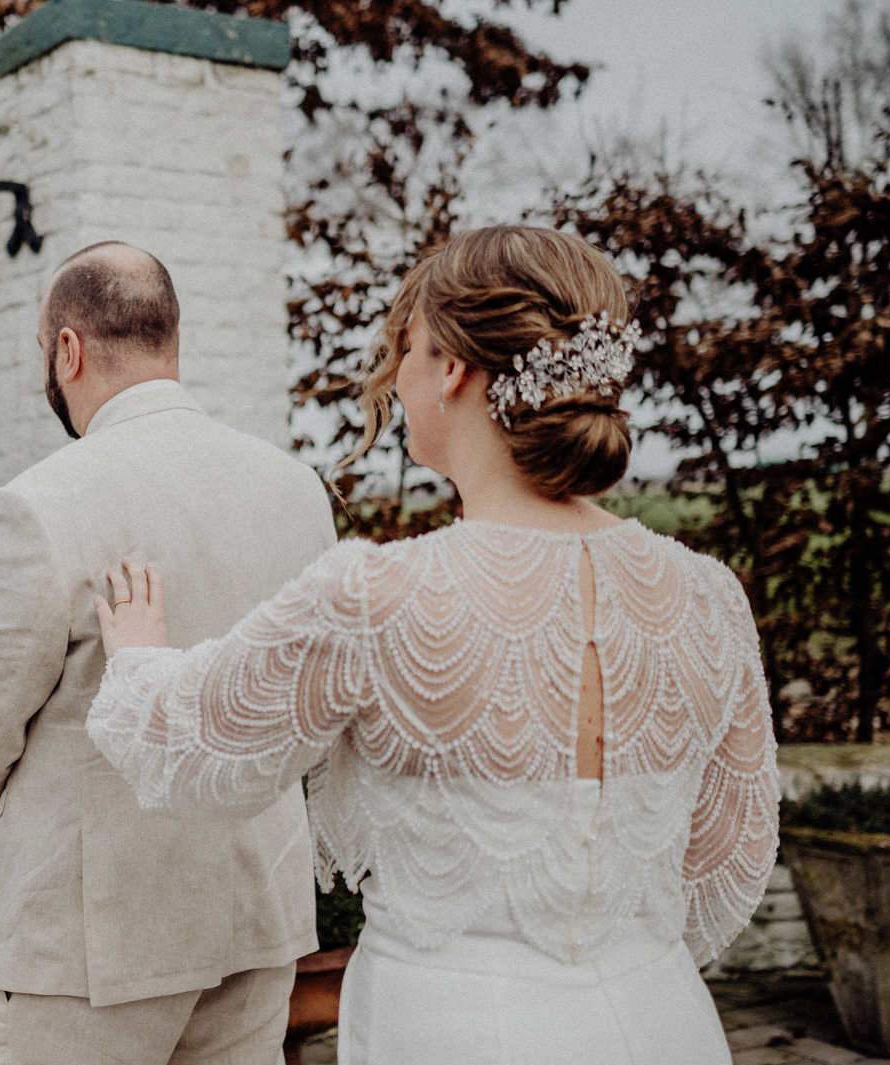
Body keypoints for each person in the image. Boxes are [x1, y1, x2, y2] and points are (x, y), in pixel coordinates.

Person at [86, 226, 780, 1065]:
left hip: (454, 1026)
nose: (399, 377)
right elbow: (725, 852)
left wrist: (134, 658)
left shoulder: (377, 596)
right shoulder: (708, 596)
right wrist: (611, 950)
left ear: (451, 368)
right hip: (662, 1013)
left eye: (406, 349)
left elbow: (195, 742)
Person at [0, 241, 337, 1065]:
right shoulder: (297, 491)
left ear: (68, 350)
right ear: (170, 341)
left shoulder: (40, 506)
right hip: (257, 912)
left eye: (47, 352)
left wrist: (14, 818)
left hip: (85, 939)